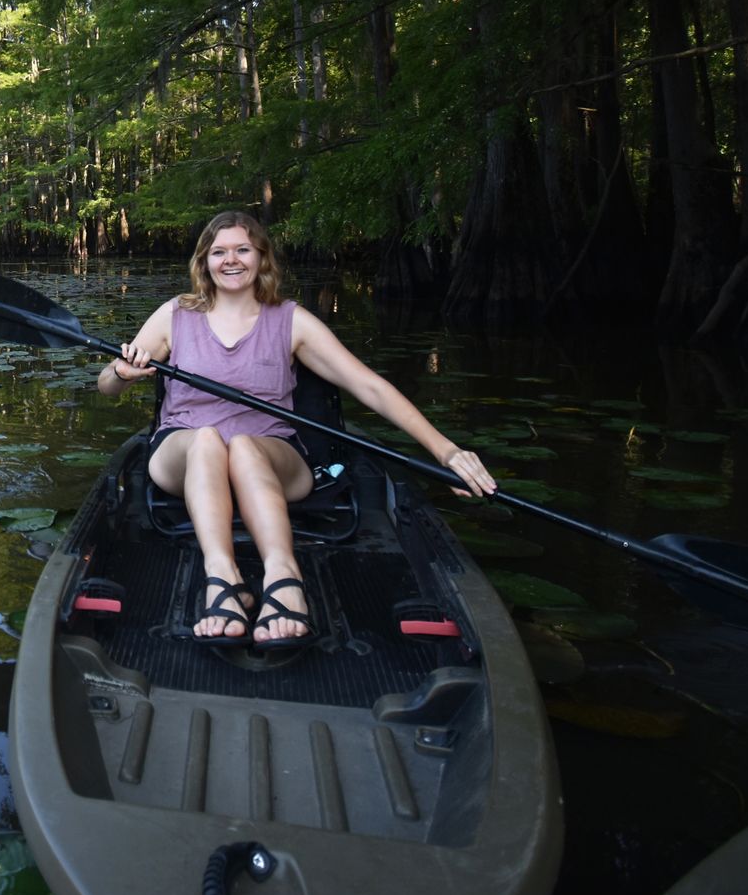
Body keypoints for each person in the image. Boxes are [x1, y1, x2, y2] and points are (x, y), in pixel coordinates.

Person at [95, 211, 497, 648]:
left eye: (242, 250)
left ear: (262, 257)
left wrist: (447, 452)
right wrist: (121, 372)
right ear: (204, 261)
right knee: (209, 439)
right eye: (219, 252)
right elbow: (107, 387)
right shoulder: (176, 314)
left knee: (244, 446)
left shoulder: (291, 321)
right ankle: (223, 577)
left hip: (270, 455)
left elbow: (369, 387)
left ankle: (284, 577)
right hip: (185, 451)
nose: (231, 260)